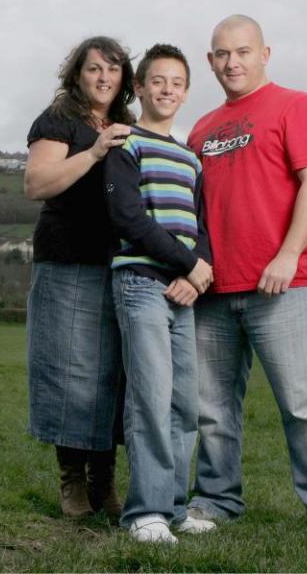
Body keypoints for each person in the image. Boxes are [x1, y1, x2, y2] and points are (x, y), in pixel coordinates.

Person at [184, 15, 307, 541]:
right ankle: (217, 500)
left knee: (305, 405)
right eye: (221, 54)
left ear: (265, 53)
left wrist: (286, 256)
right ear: (210, 60)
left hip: (285, 286)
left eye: (242, 51)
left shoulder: (295, 106)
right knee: (212, 410)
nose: (232, 62)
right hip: (214, 291)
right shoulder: (201, 129)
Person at [103, 44, 216, 544]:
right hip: (140, 286)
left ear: (186, 92)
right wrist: (187, 263)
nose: (167, 90)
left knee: (183, 405)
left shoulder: (192, 158)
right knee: (149, 399)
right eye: (158, 81)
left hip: (180, 291)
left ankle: (172, 507)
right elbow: (129, 217)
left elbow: (202, 227)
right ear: (140, 88)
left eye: (176, 83)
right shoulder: (126, 145)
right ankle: (143, 514)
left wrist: (196, 275)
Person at [24, 36, 134, 521]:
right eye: (94, 69)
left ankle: (103, 481)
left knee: (113, 375)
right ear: (77, 75)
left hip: (121, 264)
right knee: (68, 373)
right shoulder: (58, 120)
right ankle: (71, 482)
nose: (104, 78)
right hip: (67, 260)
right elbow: (36, 184)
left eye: (113, 70)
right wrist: (92, 153)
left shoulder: (129, 123)